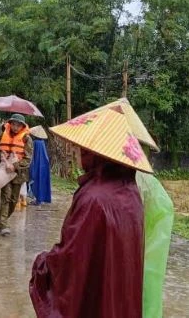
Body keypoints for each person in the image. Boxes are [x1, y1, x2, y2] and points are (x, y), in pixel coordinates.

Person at [29, 104, 167, 318]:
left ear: (95, 152)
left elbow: (72, 260)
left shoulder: (93, 197)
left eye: (81, 148)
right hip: (119, 299)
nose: (76, 152)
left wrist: (43, 264)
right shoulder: (131, 194)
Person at [0, 114, 33, 236]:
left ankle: (1, 223)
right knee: (6, 197)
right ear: (10, 124)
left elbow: (28, 159)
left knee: (14, 200)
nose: (15, 127)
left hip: (18, 174)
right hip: (4, 172)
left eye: (18, 125)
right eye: (13, 124)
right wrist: (1, 156)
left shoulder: (27, 139)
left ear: (22, 126)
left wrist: (14, 165)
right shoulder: (2, 136)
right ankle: (4, 225)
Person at [28, 125, 52, 205]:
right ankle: (42, 199)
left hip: (37, 164)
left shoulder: (35, 143)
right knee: (43, 182)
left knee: (36, 181)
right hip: (44, 164)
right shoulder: (42, 142)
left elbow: (32, 155)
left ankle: (38, 200)